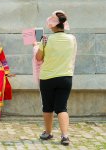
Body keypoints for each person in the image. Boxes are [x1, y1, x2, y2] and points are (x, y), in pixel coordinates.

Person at [34, 10, 77, 146]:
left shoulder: (46, 39)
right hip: (66, 77)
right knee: (62, 108)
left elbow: (39, 58)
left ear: (52, 26)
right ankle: (65, 136)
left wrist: (36, 46)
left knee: (47, 107)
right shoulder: (72, 39)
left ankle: (48, 132)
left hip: (47, 77)